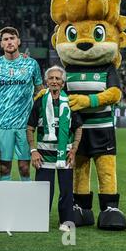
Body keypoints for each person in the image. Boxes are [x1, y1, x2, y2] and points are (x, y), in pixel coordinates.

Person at [27, 66, 83, 232]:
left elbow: (78, 128)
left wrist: (73, 151)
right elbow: (30, 127)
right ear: (46, 81)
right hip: (44, 156)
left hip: (64, 155)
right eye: (51, 78)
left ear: (63, 83)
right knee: (43, 191)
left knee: (66, 191)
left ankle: (66, 221)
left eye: (58, 79)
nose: (54, 81)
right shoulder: (39, 102)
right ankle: (39, 220)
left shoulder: (70, 103)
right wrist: (33, 151)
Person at [0, 26, 44, 181]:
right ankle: (5, 202)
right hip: (3, 123)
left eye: (12, 38)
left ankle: (25, 201)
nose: (9, 42)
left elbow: (40, 91)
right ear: (1, 44)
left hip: (25, 125)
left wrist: (39, 115)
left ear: (18, 41)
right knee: (4, 168)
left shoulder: (31, 64)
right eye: (6, 39)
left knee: (25, 168)